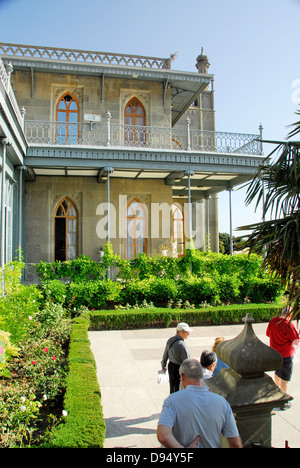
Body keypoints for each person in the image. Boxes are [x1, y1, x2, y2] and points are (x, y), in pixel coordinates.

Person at [157, 358, 242, 448]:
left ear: (182, 376)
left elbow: (163, 436)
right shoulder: (222, 403)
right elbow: (236, 444)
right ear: (201, 376)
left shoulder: (172, 401)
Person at [266, 306, 300, 407]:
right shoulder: (288, 325)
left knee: (277, 374)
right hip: (286, 354)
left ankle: (276, 396)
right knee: (285, 377)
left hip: (275, 353)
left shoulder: (273, 321)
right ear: (290, 314)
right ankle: (283, 400)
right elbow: (296, 341)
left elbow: (268, 334)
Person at [161, 322, 192, 393]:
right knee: (179, 390)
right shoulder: (182, 345)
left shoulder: (170, 340)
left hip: (171, 366)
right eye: (187, 332)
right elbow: (186, 362)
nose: (188, 334)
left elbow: (165, 355)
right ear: (180, 332)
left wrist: (164, 367)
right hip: (179, 369)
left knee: (172, 388)